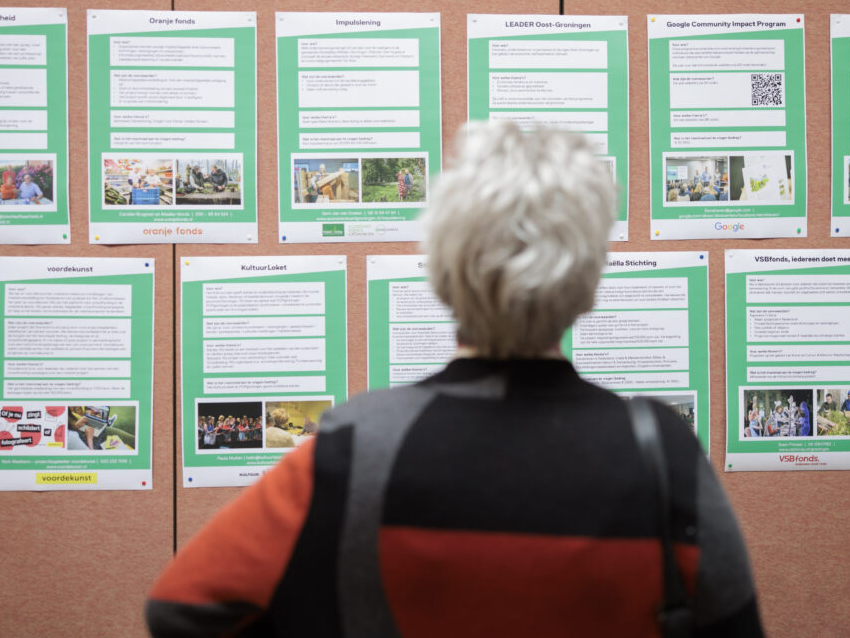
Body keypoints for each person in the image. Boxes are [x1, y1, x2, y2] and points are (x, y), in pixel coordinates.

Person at [146, 122, 763, 637]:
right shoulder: (660, 453)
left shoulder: (360, 444)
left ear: (443, 268)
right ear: (587, 278)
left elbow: (181, 608)